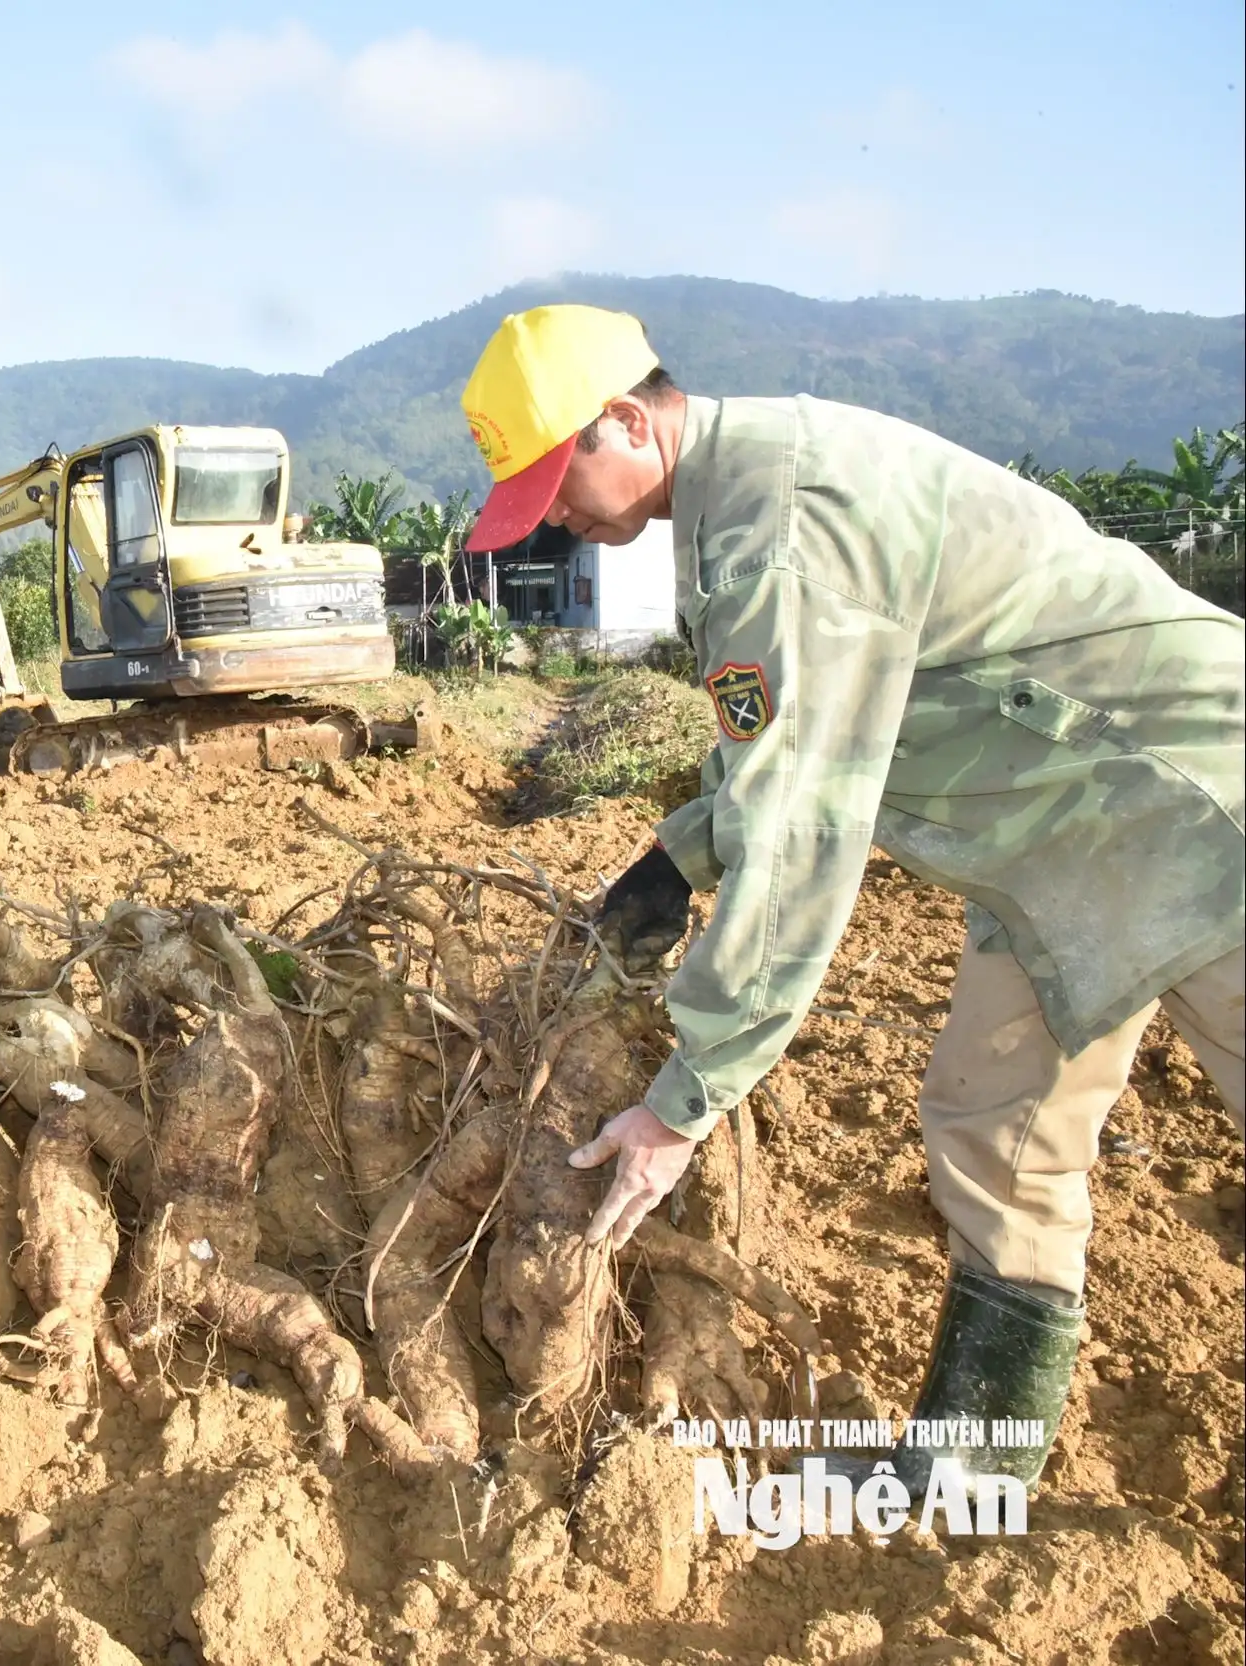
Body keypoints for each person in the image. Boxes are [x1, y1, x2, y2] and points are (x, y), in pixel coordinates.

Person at [457, 304, 1243, 1487]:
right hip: (1051, 853)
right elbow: (755, 750)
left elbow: (800, 827)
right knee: (993, 1126)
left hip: (1183, 807)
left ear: (625, 418)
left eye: (554, 481)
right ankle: (974, 1468)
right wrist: (671, 865)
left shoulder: (780, 532)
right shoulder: (726, 516)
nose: (554, 517)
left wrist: (685, 1101)